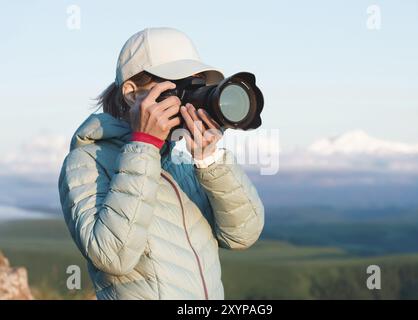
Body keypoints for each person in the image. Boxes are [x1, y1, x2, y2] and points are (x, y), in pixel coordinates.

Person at [58, 27, 264, 300]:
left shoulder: (183, 158)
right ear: (132, 93)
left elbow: (242, 235)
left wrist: (209, 159)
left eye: (197, 85)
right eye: (177, 86)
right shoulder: (85, 161)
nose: (189, 97)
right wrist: (144, 145)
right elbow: (113, 256)